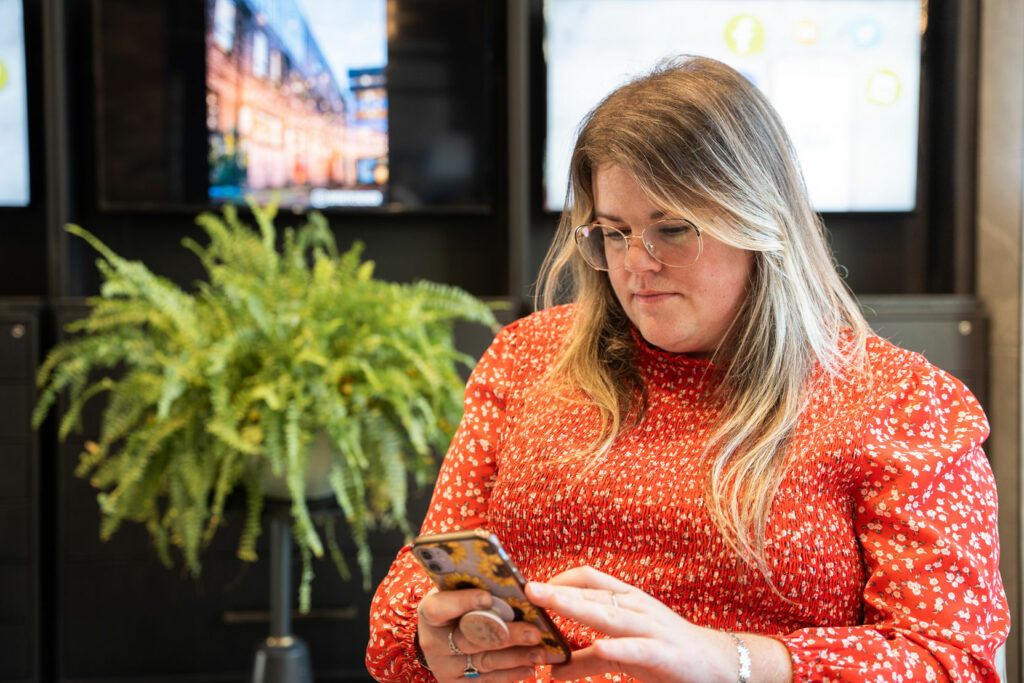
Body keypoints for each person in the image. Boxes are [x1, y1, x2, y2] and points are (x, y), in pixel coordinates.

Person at [365, 55, 1009, 682]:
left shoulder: (900, 401)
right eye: (613, 233)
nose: (635, 264)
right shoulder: (530, 357)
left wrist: (729, 660)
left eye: (671, 229)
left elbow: (951, 659)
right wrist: (436, 645)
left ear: (761, 224)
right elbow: (411, 598)